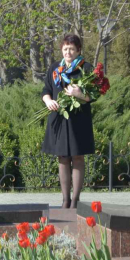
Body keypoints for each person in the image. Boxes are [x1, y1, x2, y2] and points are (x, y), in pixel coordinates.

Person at [42, 34, 95, 209]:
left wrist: (79, 94)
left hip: (79, 120)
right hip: (59, 118)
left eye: (71, 49)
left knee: (78, 157)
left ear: (78, 50)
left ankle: (75, 200)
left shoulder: (86, 68)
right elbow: (46, 90)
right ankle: (65, 200)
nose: (68, 52)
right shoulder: (55, 68)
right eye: (65, 49)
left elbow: (93, 95)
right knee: (62, 157)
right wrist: (48, 101)